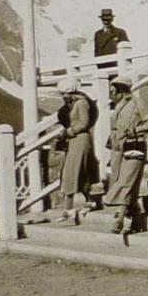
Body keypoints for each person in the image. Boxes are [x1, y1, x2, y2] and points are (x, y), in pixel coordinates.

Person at [102, 76, 148, 242]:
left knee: (126, 181)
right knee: (122, 180)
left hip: (134, 146)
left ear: (122, 91)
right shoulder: (116, 106)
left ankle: (119, 218)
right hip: (118, 149)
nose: (111, 95)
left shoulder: (137, 102)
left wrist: (135, 131)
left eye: (113, 92)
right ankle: (135, 216)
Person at [53, 78, 98, 225]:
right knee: (78, 172)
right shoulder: (73, 103)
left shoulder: (81, 103)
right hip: (74, 140)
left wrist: (69, 131)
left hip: (81, 140)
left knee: (71, 173)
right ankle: (90, 201)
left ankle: (69, 209)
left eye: (64, 93)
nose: (63, 96)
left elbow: (84, 123)